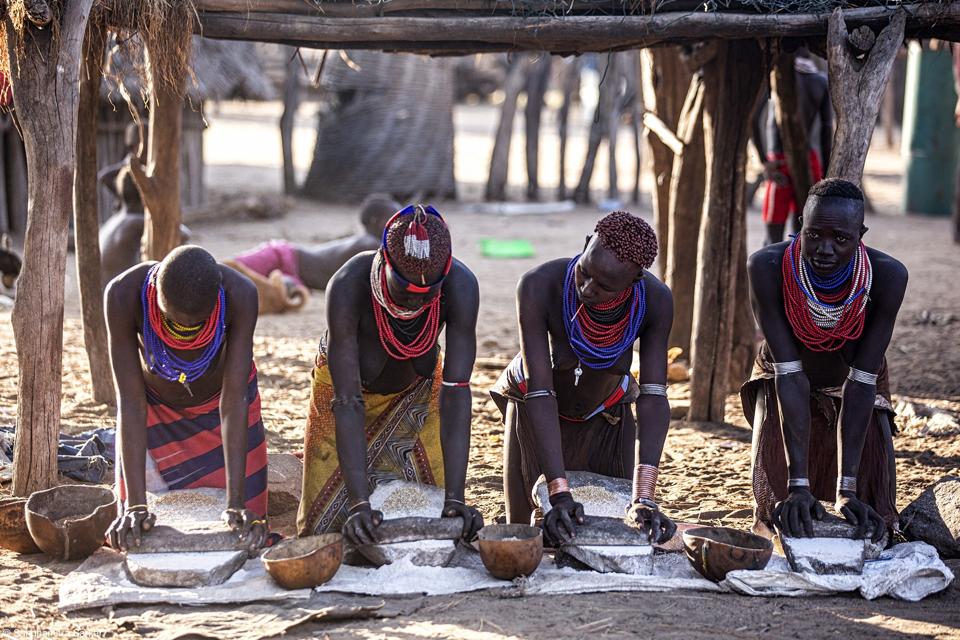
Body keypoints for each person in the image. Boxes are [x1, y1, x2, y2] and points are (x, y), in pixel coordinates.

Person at [297, 205, 484, 546]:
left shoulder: (461, 286)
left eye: (428, 294)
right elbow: (347, 400)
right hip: (344, 396)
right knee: (327, 533)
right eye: (405, 290)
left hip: (416, 397)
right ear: (383, 262)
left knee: (431, 524)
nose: (416, 303)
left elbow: (456, 392)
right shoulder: (348, 285)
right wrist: (358, 504)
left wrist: (456, 498)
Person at [491, 211, 676, 545]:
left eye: (605, 286)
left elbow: (652, 397)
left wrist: (645, 496)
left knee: (612, 532)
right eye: (584, 273)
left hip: (606, 415)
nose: (587, 289)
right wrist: (558, 492)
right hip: (534, 412)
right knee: (525, 536)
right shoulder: (539, 286)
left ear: (633, 282)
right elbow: (540, 392)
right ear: (587, 243)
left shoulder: (655, 301)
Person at [743, 178, 907, 543]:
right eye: (814, 235)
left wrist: (847, 488)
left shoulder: (887, 277)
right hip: (781, 379)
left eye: (842, 239)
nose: (825, 249)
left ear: (861, 234)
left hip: (856, 383)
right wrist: (797, 485)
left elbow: (863, 380)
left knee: (871, 509)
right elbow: (789, 373)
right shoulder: (767, 267)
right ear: (800, 223)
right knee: (779, 511)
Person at [104, 246, 268, 551]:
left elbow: (234, 401)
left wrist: (235, 502)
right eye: (172, 324)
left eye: (199, 326)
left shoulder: (240, 295)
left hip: (226, 410)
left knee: (248, 535)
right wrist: (137, 505)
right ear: (153, 293)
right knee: (139, 535)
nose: (186, 335)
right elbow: (130, 402)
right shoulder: (122, 295)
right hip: (152, 413)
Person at [225, 194, 399, 314]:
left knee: (272, 296)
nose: (398, 221)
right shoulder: (369, 244)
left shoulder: (368, 243)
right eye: (394, 216)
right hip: (282, 256)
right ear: (376, 222)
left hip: (298, 278)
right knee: (225, 269)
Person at [753, 50, 832, 246]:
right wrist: (826, 176)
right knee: (802, 237)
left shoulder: (774, 77)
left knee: (772, 240)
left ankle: (772, 276)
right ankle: (796, 275)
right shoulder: (820, 82)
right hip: (809, 163)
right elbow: (826, 132)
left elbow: (753, 120)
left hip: (777, 163)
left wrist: (764, 161)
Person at [99, 166, 191, 288]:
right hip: (118, 296)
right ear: (144, 196)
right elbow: (184, 234)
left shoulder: (117, 218)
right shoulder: (134, 223)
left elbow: (105, 177)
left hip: (109, 292)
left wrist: (131, 164)